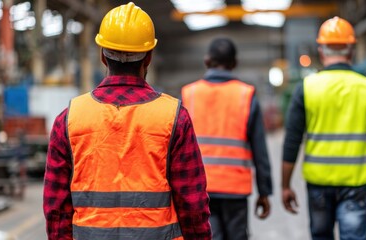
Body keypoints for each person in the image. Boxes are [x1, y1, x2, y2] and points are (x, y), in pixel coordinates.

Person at [43, 3, 211, 239]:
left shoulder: (69, 119)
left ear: (102, 55)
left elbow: (56, 209)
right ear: (149, 57)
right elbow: (193, 204)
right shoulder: (174, 117)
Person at [281, 16, 366, 240]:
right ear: (351, 49)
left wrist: (285, 185)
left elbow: (292, 140)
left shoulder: (307, 88)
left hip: (319, 183)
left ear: (321, 50)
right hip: (356, 183)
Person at [181, 37, 273, 240]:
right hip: (235, 189)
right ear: (234, 64)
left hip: (200, 189)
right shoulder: (245, 95)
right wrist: (264, 191)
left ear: (206, 61)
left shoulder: (190, 94)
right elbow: (260, 149)